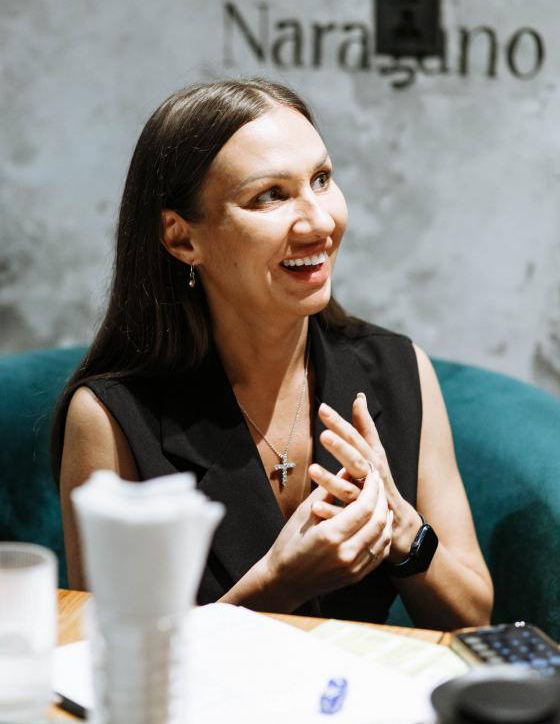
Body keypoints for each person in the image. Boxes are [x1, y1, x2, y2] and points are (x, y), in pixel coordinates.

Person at [52, 78, 493, 629]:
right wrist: (277, 585)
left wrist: (402, 528)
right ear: (182, 238)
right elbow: (111, 653)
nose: (320, 222)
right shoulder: (109, 418)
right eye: (270, 196)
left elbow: (474, 617)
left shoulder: (400, 370)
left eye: (321, 179)